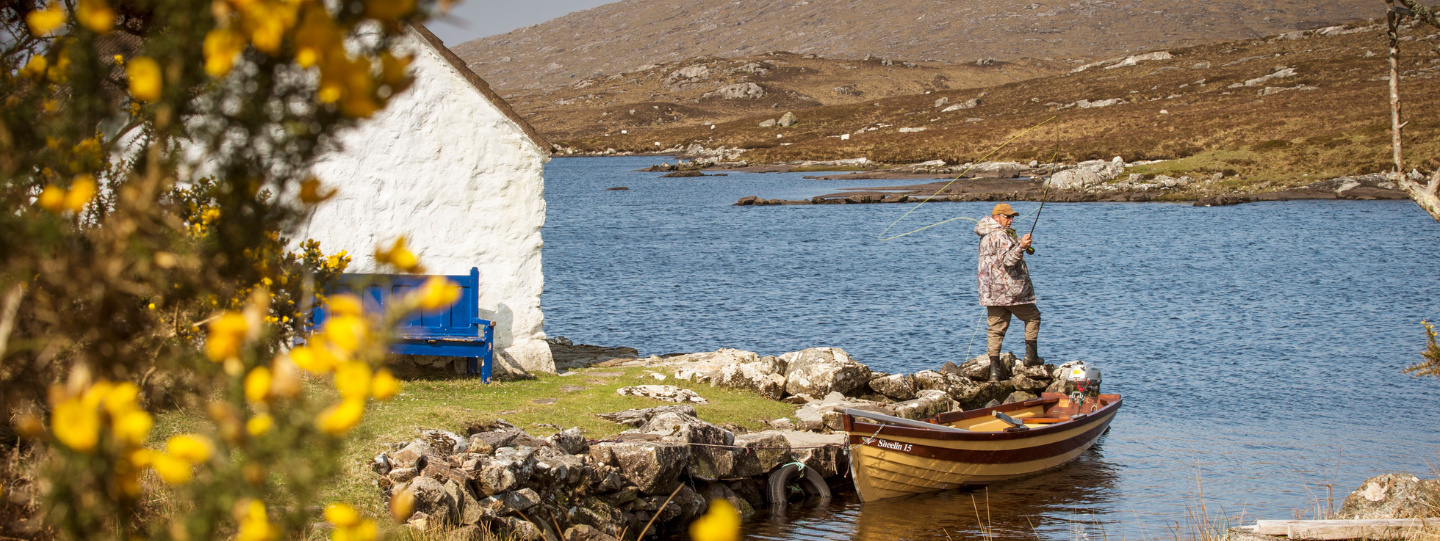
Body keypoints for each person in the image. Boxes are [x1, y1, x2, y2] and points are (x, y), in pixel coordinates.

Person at [974, 203, 1041, 381]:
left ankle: (994, 371)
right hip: (1010, 291)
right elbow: (1008, 261)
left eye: (1012, 217)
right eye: (1007, 217)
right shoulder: (1001, 236)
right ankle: (1031, 358)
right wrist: (1022, 247)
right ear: (996, 217)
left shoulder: (985, 235)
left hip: (990, 292)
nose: (1011, 220)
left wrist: (1018, 245)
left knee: (995, 329)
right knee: (1033, 317)